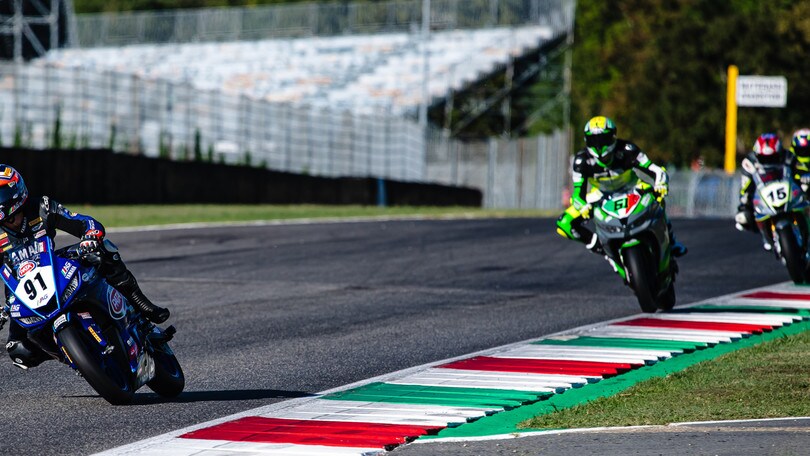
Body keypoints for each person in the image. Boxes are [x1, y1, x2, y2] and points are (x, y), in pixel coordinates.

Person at [0, 165, 170, 369]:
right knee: (18, 349)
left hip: (53, 264)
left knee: (102, 251)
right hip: (21, 291)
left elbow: (82, 221)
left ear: (15, 192)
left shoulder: (41, 207)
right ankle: (72, 354)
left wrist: (90, 236)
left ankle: (140, 305)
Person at [556, 115, 687, 257]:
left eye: (603, 139)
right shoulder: (581, 161)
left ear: (613, 137)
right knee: (565, 223)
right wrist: (582, 206)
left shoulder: (627, 149)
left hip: (633, 187)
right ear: (587, 141)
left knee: (658, 200)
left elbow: (655, 170)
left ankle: (671, 241)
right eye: (594, 141)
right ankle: (600, 246)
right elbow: (577, 194)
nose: (599, 146)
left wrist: (660, 184)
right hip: (600, 194)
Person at [735, 132, 804, 249]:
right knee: (744, 215)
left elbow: (800, 172)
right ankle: (766, 237)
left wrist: (804, 179)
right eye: (764, 158)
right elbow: (745, 188)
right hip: (764, 197)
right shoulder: (749, 163)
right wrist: (744, 205)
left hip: (789, 194)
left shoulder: (789, 157)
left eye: (772, 158)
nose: (769, 162)